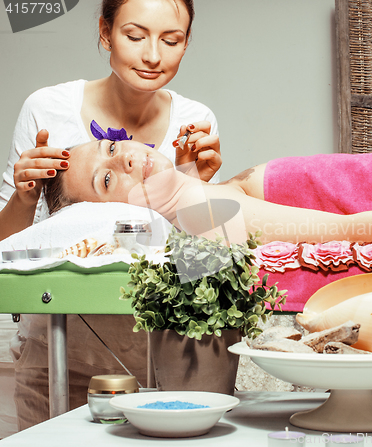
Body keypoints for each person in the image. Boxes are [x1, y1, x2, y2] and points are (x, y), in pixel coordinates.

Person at [0, 0, 221, 430]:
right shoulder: (47, 110)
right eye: (135, 36)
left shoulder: (196, 123)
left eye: (171, 40)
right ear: (105, 32)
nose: (153, 55)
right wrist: (25, 200)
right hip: (55, 350)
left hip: (157, 355)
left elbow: (197, 257)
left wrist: (196, 184)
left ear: (186, 42)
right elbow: (5, 250)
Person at [43, 137, 372, 246]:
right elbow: (358, 228)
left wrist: (188, 173)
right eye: (107, 180)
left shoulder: (191, 195)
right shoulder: (198, 216)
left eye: (108, 145)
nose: (122, 158)